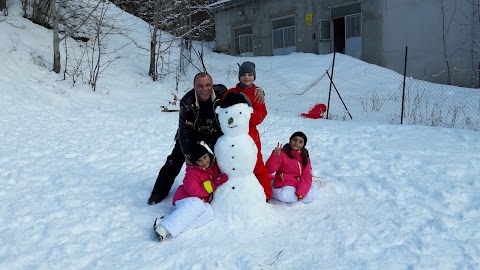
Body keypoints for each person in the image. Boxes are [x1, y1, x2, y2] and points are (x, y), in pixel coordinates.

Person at [148, 72, 265, 205]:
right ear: (194, 87)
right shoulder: (187, 101)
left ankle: (229, 188)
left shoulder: (222, 92)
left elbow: (241, 91)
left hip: (213, 131)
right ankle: (159, 192)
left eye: (208, 85)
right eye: (200, 86)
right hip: (192, 132)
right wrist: (188, 153)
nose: (205, 89)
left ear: (212, 84)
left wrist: (259, 90)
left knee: (225, 157)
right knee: (175, 159)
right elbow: (184, 130)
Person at [153, 142, 228, 242]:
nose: (205, 162)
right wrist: (215, 183)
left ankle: (168, 223)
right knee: (197, 204)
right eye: (200, 161)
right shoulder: (192, 173)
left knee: (209, 212)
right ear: (195, 162)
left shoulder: (214, 164)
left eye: (205, 157)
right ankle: (164, 228)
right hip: (186, 199)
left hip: (200, 203)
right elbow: (196, 192)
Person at [223, 61, 272, 201]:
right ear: (239, 77)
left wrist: (243, 118)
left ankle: (265, 194)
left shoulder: (257, 94)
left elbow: (261, 114)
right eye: (243, 75)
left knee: (256, 164)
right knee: (234, 164)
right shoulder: (231, 93)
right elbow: (224, 110)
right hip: (232, 136)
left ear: (254, 76)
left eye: (250, 75)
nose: (247, 78)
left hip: (251, 135)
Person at [265, 131, 322, 203]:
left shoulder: (304, 157)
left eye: (300, 142)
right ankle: (271, 189)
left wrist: (301, 192)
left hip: (298, 182)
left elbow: (306, 175)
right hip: (284, 182)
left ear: (303, 145)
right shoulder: (281, 153)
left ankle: (314, 183)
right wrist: (275, 156)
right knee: (287, 196)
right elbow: (269, 170)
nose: (297, 143)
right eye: (295, 140)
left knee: (310, 197)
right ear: (290, 140)